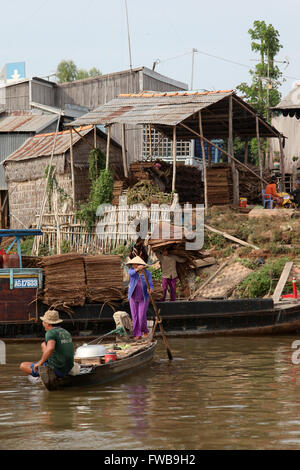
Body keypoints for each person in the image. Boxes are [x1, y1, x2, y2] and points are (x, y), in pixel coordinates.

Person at [20, 310, 74, 382]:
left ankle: (44, 371)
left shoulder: (50, 333)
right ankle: (44, 364)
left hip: (57, 369)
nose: (43, 323)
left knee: (23, 365)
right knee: (43, 344)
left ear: (48, 323)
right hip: (68, 368)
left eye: (44, 322)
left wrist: (40, 363)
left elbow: (51, 348)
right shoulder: (65, 332)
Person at [127, 256, 154, 341]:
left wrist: (151, 289)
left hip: (144, 297)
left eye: (136, 264)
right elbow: (130, 274)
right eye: (133, 264)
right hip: (133, 297)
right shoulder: (132, 271)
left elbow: (150, 283)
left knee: (141, 316)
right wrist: (137, 269)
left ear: (140, 264)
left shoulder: (146, 273)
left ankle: (144, 330)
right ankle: (137, 334)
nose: (134, 265)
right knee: (135, 317)